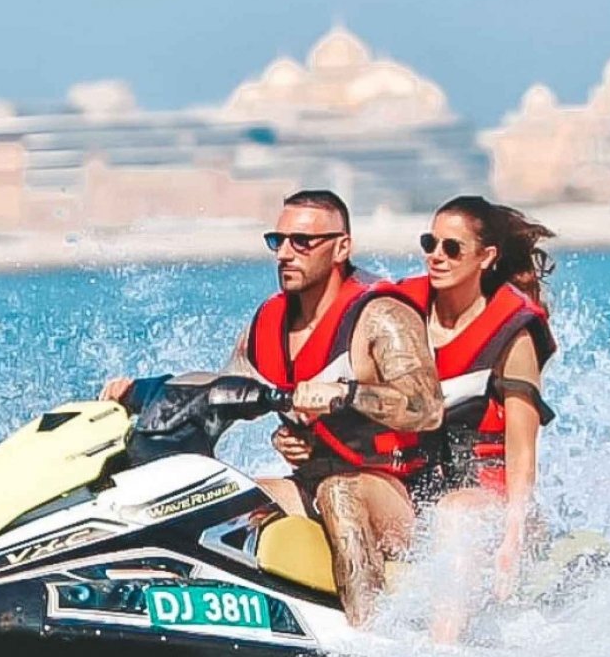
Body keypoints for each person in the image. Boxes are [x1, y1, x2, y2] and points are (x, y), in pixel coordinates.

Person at [103, 190, 442, 626]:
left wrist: (345, 393)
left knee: (339, 491)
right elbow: (219, 390)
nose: (285, 254)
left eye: (302, 242)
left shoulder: (381, 317)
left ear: (342, 247)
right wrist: (142, 392)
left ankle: (371, 638)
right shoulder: (267, 323)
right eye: (277, 241)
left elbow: (426, 407)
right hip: (311, 485)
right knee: (215, 495)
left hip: (401, 500)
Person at [273, 196, 557, 640]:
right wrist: (303, 435)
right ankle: (362, 638)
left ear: (487, 258)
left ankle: (442, 655)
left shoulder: (513, 334)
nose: (436, 257)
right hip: (411, 495)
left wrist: (512, 537)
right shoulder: (399, 314)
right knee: (336, 490)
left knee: (454, 513)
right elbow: (361, 400)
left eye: (452, 248)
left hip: (487, 501)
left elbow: (523, 452)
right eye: (430, 243)